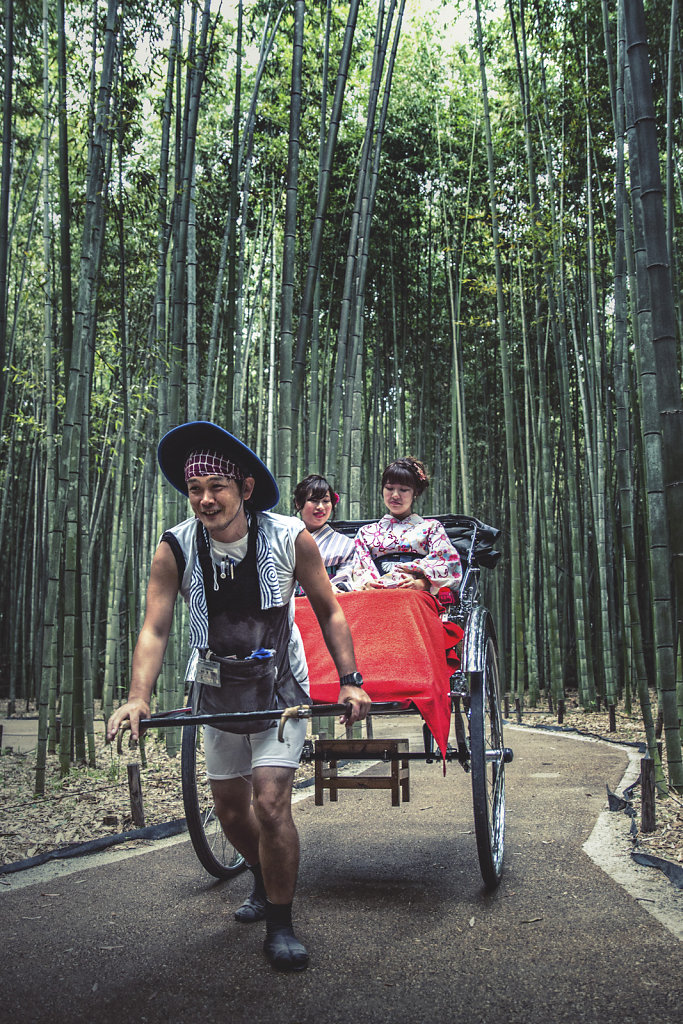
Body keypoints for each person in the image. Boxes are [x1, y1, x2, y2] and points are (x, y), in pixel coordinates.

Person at [106, 421, 370, 973]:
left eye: (217, 486)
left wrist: (350, 679)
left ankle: (281, 921)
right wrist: (137, 696)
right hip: (214, 686)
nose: (205, 499)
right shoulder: (174, 546)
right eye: (195, 488)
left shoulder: (288, 537)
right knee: (230, 809)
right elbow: (155, 628)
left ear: (244, 489)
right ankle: (262, 871)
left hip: (281, 687)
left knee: (271, 802)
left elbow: (329, 609)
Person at [332, 456, 462, 595]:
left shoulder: (432, 528)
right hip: (375, 594)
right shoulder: (366, 532)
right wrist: (367, 583)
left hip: (416, 593)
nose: (395, 495)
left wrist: (422, 583)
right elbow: (358, 566)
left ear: (415, 493)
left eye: (403, 490)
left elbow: (446, 563)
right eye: (389, 488)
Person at [293, 474, 354, 592]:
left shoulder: (346, 544)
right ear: (298, 503)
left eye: (326, 501)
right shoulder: (285, 537)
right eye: (313, 500)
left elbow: (344, 582)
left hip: (331, 603)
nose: (321, 507)